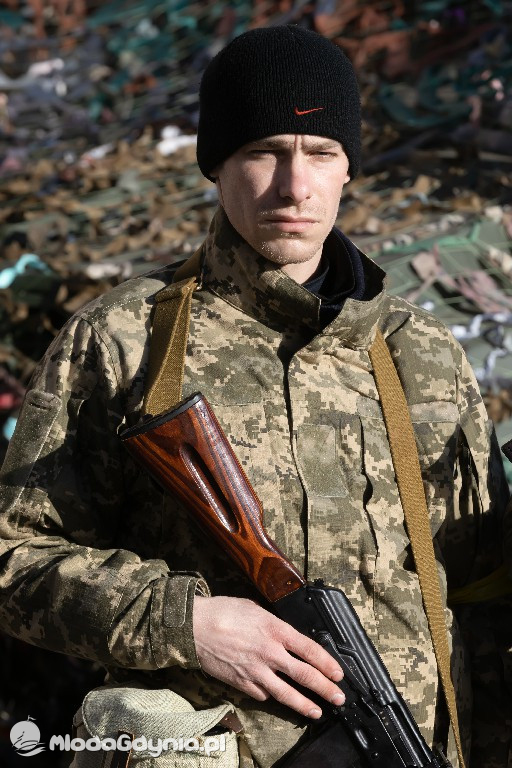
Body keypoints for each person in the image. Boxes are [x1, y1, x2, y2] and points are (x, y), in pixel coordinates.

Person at [0, 24, 510, 768]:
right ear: (216, 165)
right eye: (263, 152)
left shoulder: (422, 353)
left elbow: (478, 591)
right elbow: (14, 558)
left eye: (320, 155)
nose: (293, 187)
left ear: (348, 171)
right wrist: (188, 622)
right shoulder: (124, 339)